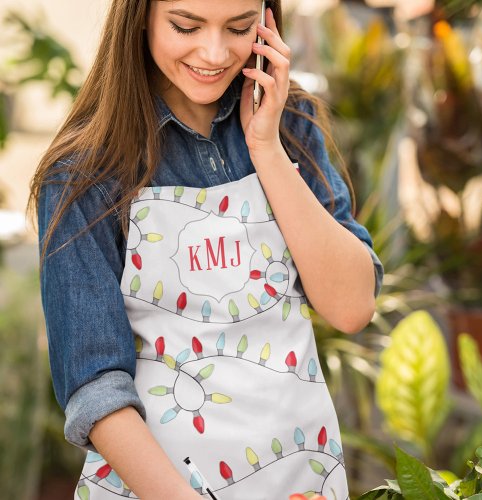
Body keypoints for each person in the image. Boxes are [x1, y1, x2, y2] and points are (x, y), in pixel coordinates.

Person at [28, 1, 383, 499]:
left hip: (302, 474)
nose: (215, 53)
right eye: (185, 26)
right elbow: (95, 386)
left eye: (239, 28)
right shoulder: (83, 174)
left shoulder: (290, 124)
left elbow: (352, 307)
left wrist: (266, 147)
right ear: (140, 16)